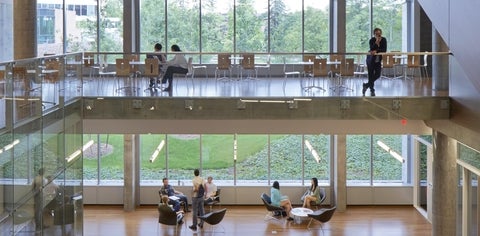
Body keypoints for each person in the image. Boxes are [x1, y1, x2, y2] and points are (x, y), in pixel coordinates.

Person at [363, 27, 387, 97]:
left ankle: (366, 85)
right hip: (370, 59)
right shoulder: (371, 40)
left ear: (381, 34)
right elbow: (371, 48)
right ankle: (372, 90)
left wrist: (376, 51)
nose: (378, 36)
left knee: (378, 74)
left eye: (379, 34)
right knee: (370, 74)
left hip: (378, 60)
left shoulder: (384, 40)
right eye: (376, 34)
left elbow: (384, 50)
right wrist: (376, 42)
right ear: (374, 34)